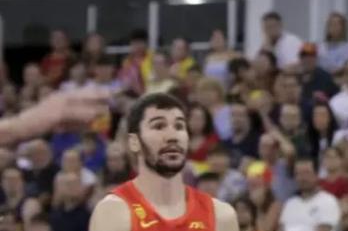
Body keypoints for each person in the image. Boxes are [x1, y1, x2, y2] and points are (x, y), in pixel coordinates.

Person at [88, 92, 239, 231]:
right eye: (159, 126)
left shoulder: (221, 215)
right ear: (134, 142)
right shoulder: (114, 212)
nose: (172, 136)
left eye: (179, 126)